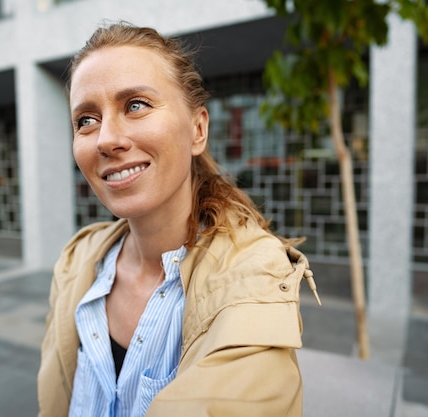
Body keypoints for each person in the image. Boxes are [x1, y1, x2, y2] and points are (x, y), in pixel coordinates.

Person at [37, 21, 320, 417]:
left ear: (197, 129)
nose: (105, 139)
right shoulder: (78, 263)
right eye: (86, 119)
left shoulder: (254, 275)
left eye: (135, 105)